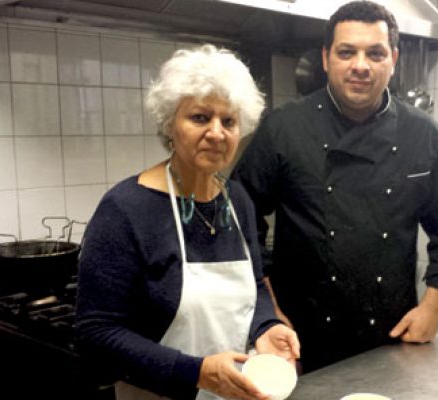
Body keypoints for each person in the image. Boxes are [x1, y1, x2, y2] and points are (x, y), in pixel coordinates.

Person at [232, 0, 438, 372]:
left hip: (393, 334)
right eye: (347, 52)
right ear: (327, 58)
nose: (360, 65)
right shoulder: (283, 128)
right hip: (298, 337)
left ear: (392, 59)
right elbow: (239, 217)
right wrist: (267, 306)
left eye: (374, 53)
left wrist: (433, 304)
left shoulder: (423, 134)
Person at [75, 44, 300, 400]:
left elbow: (253, 287)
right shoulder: (125, 209)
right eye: (200, 117)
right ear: (170, 124)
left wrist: (266, 325)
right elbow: (95, 332)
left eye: (229, 121)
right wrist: (195, 372)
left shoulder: (236, 199)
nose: (217, 132)